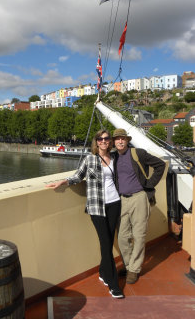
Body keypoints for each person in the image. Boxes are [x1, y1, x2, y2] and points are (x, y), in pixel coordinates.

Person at [46, 129, 124, 299]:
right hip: (97, 206)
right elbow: (78, 176)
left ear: (110, 141)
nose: (104, 141)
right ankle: (113, 284)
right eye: (100, 139)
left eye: (106, 139)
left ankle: (103, 272)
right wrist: (63, 181)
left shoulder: (115, 158)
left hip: (114, 203)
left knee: (109, 241)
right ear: (96, 142)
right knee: (105, 243)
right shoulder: (90, 159)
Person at [112, 128, 166, 284]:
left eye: (123, 138)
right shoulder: (113, 157)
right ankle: (129, 265)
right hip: (121, 200)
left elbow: (160, 165)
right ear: (114, 142)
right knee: (122, 236)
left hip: (139, 198)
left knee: (139, 235)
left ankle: (134, 270)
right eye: (117, 139)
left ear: (127, 141)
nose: (120, 141)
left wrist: (149, 184)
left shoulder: (138, 154)